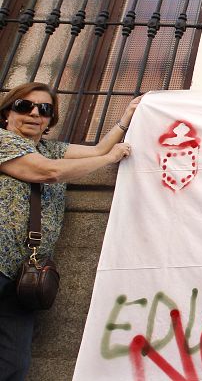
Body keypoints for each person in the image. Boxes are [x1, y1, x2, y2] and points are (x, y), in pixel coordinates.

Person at [0, 82, 139, 380]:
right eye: (24, 106)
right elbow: (48, 172)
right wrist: (110, 158)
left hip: (22, 275)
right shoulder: (3, 141)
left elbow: (98, 148)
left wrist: (126, 116)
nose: (35, 113)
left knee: (13, 363)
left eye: (45, 109)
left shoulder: (50, 149)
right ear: (7, 113)